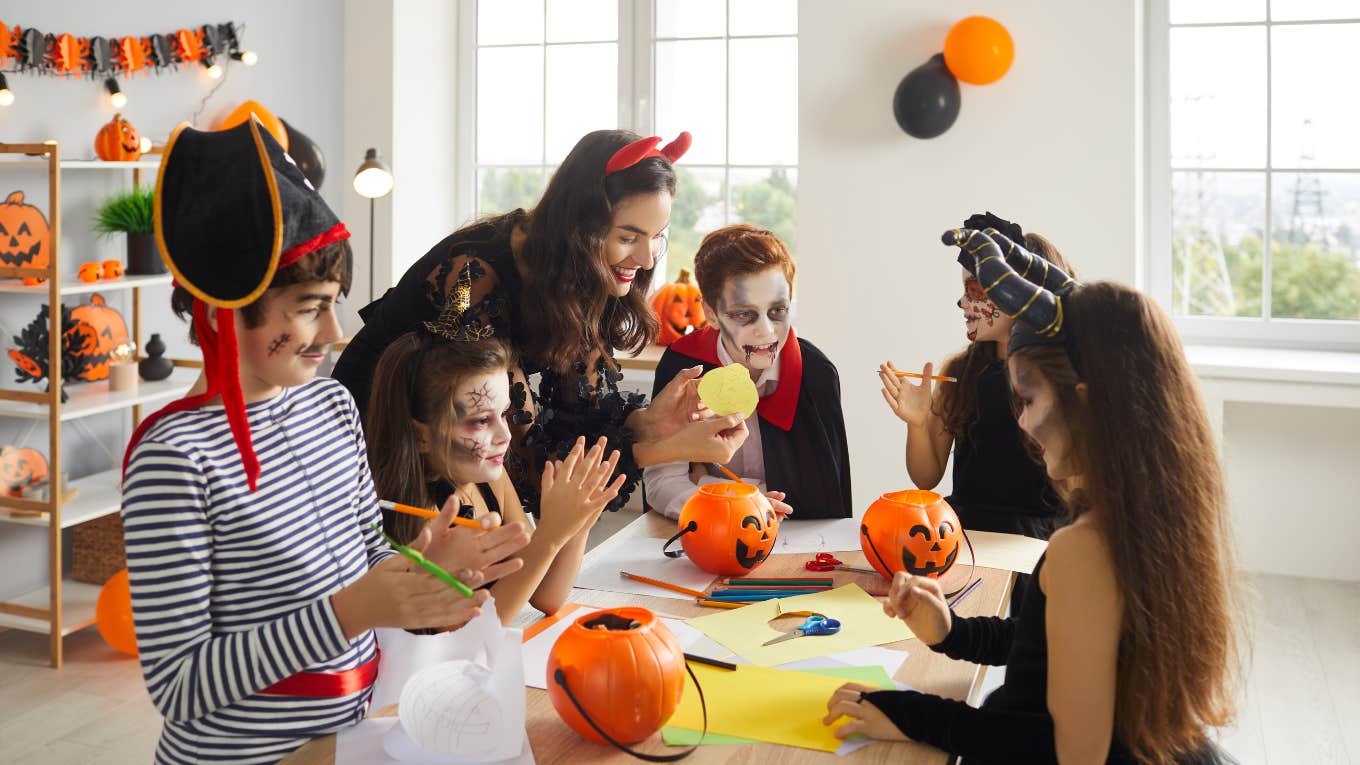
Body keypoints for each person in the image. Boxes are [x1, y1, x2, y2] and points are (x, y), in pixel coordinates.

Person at [120, 121, 529, 765]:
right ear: (229, 307)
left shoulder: (333, 406)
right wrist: (351, 611)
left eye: (334, 302)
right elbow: (179, 684)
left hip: (350, 740)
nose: (335, 331)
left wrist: (421, 564)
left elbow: (362, 548)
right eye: (310, 306)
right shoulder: (175, 458)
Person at [826, 228, 1241, 765]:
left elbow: (1060, 752)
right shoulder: (1156, 516)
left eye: (1026, 398)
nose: (1020, 420)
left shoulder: (1083, 549)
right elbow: (1053, 643)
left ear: (1084, 405)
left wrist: (913, 714)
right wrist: (950, 631)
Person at [332, 129, 747, 516]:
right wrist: (664, 449)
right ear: (579, 225)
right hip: (377, 436)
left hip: (459, 445)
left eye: (658, 235)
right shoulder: (472, 280)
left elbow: (581, 427)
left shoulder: (585, 274)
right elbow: (525, 464)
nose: (647, 258)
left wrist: (650, 425)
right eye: (628, 237)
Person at [367, 328, 624, 623]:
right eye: (480, 421)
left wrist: (577, 524)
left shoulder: (490, 479)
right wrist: (550, 537)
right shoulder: (420, 518)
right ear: (420, 435)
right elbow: (476, 627)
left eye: (503, 414)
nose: (505, 435)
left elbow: (544, 594)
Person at [880, 212, 1072, 541]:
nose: (962, 302)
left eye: (976, 289)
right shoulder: (959, 374)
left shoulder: (1057, 378)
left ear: (1020, 292)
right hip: (967, 533)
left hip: (1036, 537)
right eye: (964, 289)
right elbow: (926, 477)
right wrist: (917, 422)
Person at [644, 224, 852, 519]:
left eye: (777, 311)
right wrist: (736, 505)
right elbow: (662, 480)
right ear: (712, 314)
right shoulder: (683, 366)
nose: (766, 332)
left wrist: (703, 481)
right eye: (744, 314)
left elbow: (822, 494)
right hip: (705, 531)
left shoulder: (815, 375)